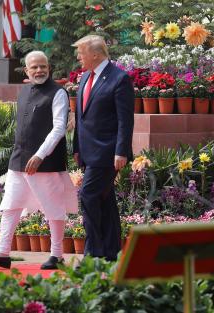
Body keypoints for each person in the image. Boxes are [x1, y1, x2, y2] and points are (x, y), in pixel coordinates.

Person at [0, 51, 78, 270]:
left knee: (53, 208)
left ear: (49, 68)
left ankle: (57, 255)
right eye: (34, 67)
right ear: (27, 71)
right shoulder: (23, 91)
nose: (39, 70)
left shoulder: (58, 92)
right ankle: (3, 253)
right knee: (11, 206)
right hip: (18, 161)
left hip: (46, 162)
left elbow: (59, 128)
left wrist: (40, 155)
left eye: (43, 66)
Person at [72, 35, 134, 261]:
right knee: (104, 201)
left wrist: (122, 151)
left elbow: (124, 120)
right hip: (88, 153)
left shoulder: (119, 79)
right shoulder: (85, 77)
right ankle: (111, 253)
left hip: (108, 153)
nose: (79, 57)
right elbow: (81, 116)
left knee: (88, 196)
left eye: (81, 52)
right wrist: (77, 148)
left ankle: (93, 255)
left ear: (95, 54)